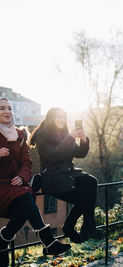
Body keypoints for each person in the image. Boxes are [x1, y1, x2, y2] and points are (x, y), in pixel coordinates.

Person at [0, 98, 70, 267]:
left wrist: (22, 177)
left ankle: (4, 238)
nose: (7, 111)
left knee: (25, 200)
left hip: (15, 184)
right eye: (2, 108)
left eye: (9, 108)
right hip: (1, 185)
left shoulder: (20, 134)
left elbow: (27, 162)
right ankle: (47, 241)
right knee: (26, 197)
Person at [29, 107, 99, 244]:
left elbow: (80, 153)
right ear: (51, 118)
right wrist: (70, 138)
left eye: (64, 117)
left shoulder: (64, 133)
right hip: (53, 179)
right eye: (58, 117)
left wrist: (84, 140)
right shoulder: (42, 135)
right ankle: (77, 227)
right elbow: (54, 155)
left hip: (69, 175)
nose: (62, 120)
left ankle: (86, 225)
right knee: (83, 200)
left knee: (91, 181)